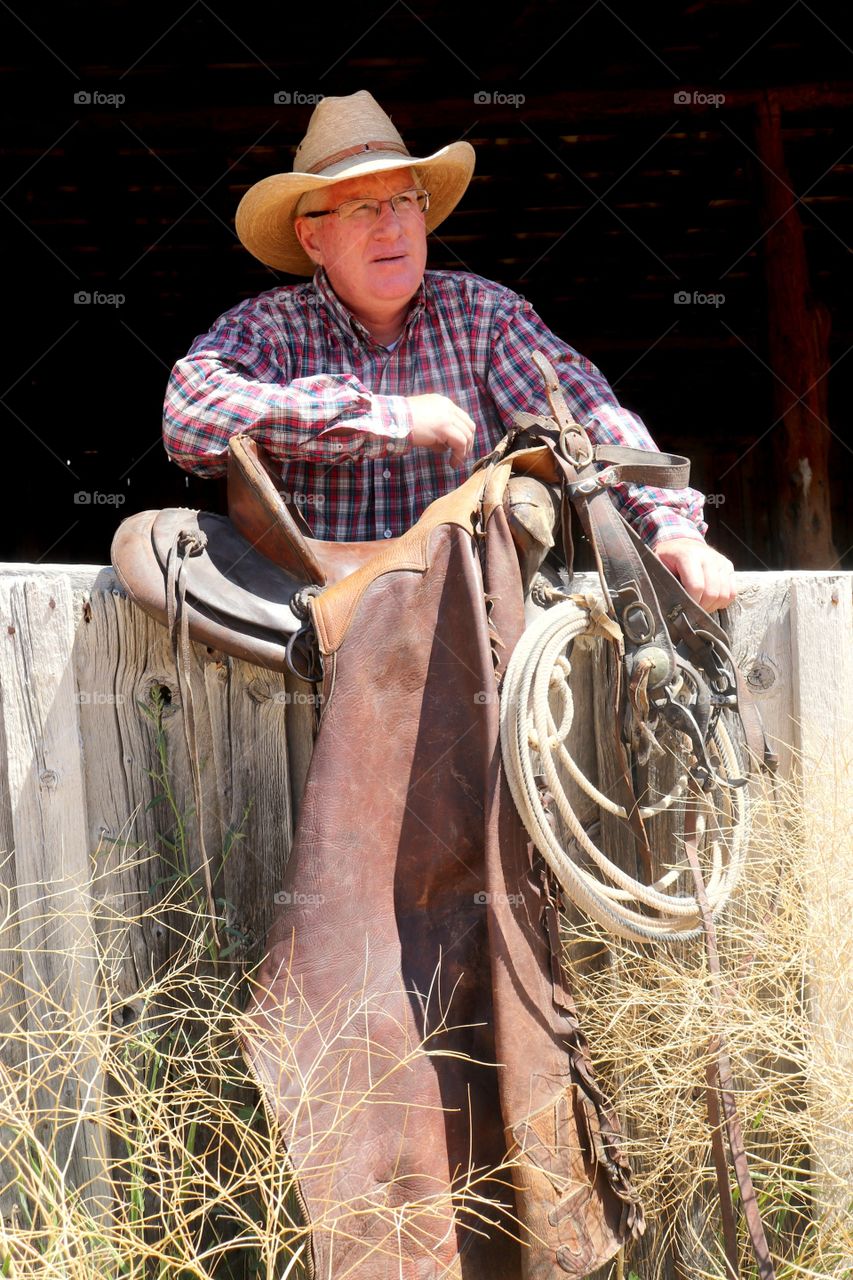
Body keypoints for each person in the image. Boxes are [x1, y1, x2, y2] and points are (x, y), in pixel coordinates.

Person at [163, 90, 735, 610]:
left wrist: (672, 528)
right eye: (361, 207)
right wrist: (392, 418)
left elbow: (589, 420)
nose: (391, 228)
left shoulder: (484, 315)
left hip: (471, 613)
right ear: (312, 237)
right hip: (313, 610)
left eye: (405, 202)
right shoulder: (270, 326)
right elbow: (189, 417)